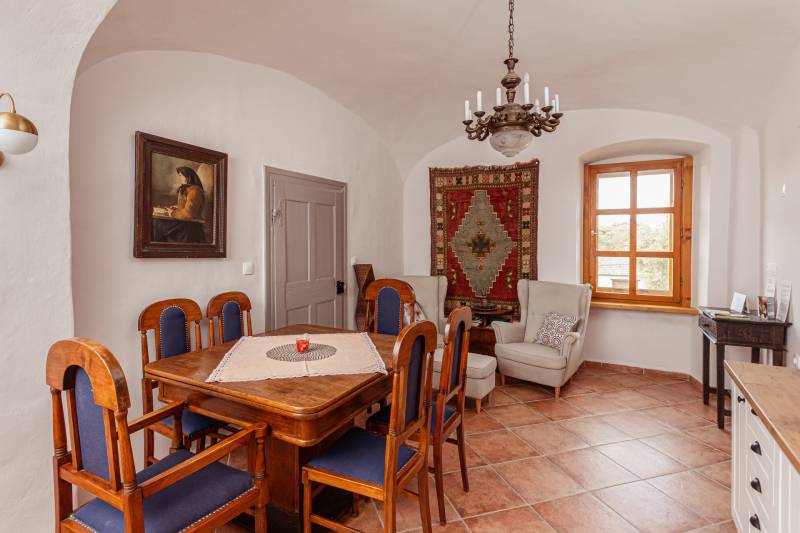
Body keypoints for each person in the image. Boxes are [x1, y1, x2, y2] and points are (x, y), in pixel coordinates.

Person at [152, 166, 207, 243]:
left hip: (190, 225)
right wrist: (176, 208)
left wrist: (173, 213)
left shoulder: (195, 191)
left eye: (181, 176)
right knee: (156, 222)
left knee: (157, 224)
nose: (180, 178)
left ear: (188, 177)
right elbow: (185, 206)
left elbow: (188, 214)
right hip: (184, 221)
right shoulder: (186, 189)